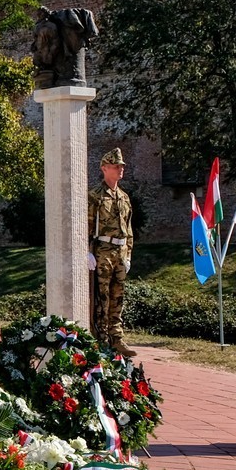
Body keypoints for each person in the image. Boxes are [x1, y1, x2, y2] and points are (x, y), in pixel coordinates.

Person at [88, 148, 135, 358]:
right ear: (105, 168)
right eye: (116, 166)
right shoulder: (95, 196)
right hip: (103, 251)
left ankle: (117, 338)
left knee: (118, 297)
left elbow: (129, 228)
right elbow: (87, 226)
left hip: (120, 251)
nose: (120, 169)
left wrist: (128, 254)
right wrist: (87, 252)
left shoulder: (124, 197)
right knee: (103, 296)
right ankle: (102, 338)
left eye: (121, 166)